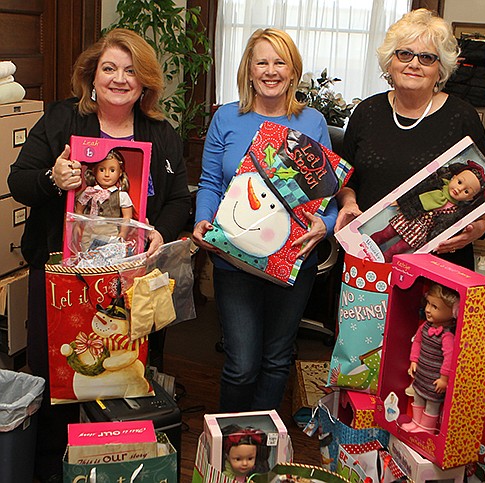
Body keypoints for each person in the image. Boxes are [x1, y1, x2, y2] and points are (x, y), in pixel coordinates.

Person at [8, 28, 191, 482]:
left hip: (132, 283)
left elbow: (177, 201)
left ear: (145, 82)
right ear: (92, 75)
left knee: (127, 375)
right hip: (62, 280)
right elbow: (19, 181)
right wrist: (54, 178)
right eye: (109, 68)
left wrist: (159, 233)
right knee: (59, 375)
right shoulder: (60, 121)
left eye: (131, 71)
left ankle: (119, 466)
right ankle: (55, 469)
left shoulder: (161, 134)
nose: (119, 79)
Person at [192, 28, 337, 412]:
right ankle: (229, 445)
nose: (271, 71)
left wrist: (328, 225)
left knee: (276, 360)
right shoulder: (226, 117)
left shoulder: (313, 122)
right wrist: (202, 220)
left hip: (292, 260)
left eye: (279, 62)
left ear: (292, 71)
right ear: (249, 70)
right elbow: (208, 182)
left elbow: (329, 195)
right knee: (240, 365)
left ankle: (263, 445)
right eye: (262, 62)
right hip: (234, 258)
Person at [335, 8, 485, 270]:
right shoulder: (367, 112)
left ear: (440, 69)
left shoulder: (462, 117)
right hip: (369, 257)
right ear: (390, 62)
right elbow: (346, 179)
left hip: (439, 266)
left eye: (427, 57)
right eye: (405, 54)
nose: (414, 64)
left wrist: (479, 227)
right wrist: (348, 202)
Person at [369, 160, 485, 262]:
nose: (459, 189)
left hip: (421, 233)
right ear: (453, 177)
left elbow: (443, 228)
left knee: (396, 250)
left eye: (466, 191)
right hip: (409, 217)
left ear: (470, 198)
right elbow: (415, 190)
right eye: (459, 182)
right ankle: (364, 248)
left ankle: (380, 265)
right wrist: (401, 201)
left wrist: (432, 242)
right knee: (384, 234)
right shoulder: (436, 184)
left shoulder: (457, 211)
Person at [402, 283, 459, 434]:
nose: (427, 309)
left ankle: (426, 429)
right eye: (428, 303)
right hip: (421, 375)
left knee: (432, 405)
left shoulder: (447, 336)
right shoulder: (425, 327)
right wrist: (413, 361)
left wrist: (444, 379)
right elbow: (417, 342)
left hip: (434, 380)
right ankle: (416, 423)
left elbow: (449, 357)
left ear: (453, 312)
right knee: (418, 397)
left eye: (434, 307)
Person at [75, 149, 133, 219]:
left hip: (111, 229)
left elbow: (127, 217)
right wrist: (78, 226)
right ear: (94, 171)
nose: (107, 174)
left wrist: (123, 230)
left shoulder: (122, 196)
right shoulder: (89, 192)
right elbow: (78, 210)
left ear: (120, 172)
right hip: (90, 228)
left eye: (112, 170)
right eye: (102, 170)